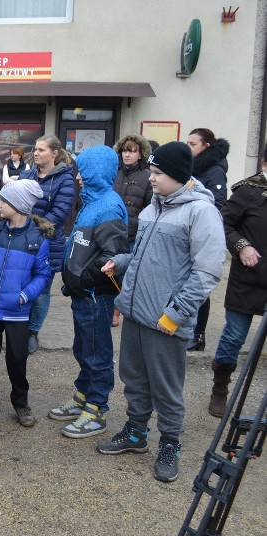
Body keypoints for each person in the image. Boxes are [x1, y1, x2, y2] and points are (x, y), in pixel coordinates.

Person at [96, 141, 225, 482]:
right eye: (151, 172)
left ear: (179, 177)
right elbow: (143, 255)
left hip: (166, 320)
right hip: (138, 312)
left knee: (166, 387)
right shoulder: (154, 207)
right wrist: (122, 262)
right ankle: (136, 433)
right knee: (135, 379)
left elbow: (207, 272)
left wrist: (176, 314)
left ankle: (170, 444)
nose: (150, 179)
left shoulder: (200, 212)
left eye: (157, 174)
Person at [48, 145, 129, 438]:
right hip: (83, 293)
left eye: (83, 170)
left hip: (95, 295)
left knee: (97, 352)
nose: (78, 176)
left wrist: (82, 279)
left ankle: (96, 409)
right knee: (84, 349)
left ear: (98, 172)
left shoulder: (108, 206)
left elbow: (112, 257)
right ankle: (83, 396)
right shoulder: (91, 202)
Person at [0, 180, 52, 427]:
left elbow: (43, 274)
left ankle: (21, 403)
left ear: (18, 205)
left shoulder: (37, 239)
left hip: (17, 311)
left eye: (4, 201)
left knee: (17, 358)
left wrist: (24, 296)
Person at [207, 140, 267, 417]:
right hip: (248, 277)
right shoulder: (248, 192)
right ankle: (220, 390)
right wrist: (242, 246)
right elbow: (225, 223)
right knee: (233, 337)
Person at [18, 135, 76, 353]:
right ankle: (20, 326)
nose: (36, 153)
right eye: (35, 148)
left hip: (48, 243)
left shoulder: (65, 178)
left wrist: (31, 227)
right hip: (23, 240)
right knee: (22, 283)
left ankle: (33, 331)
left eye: (41, 150)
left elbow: (59, 213)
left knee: (41, 290)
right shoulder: (27, 174)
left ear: (54, 153)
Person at [187, 128, 230, 352]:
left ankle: (199, 335)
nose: (189, 147)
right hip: (191, 232)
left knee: (200, 285)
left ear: (206, 147)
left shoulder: (214, 170)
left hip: (203, 235)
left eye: (193, 144)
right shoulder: (195, 167)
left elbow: (218, 201)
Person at [111, 133, 153, 327]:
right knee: (110, 271)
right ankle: (113, 309)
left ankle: (121, 311)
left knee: (128, 273)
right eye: (124, 151)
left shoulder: (147, 176)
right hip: (112, 230)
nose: (127, 155)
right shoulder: (114, 172)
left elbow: (150, 206)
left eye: (132, 151)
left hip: (133, 233)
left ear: (140, 154)